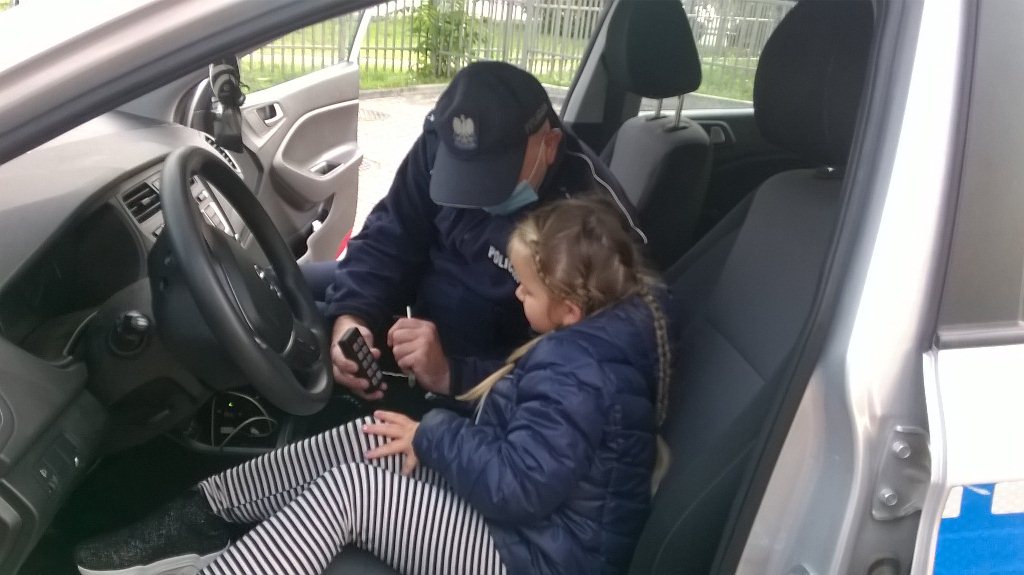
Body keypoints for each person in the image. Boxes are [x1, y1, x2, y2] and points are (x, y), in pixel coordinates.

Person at [74, 196, 670, 575]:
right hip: (529, 522)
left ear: (569, 308)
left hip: (535, 556)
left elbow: (520, 488)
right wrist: (427, 432)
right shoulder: (587, 348)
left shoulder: (579, 371)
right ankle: (201, 516)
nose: (516, 295)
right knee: (376, 434)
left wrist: (433, 436)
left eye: (527, 290)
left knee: (355, 492)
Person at [305, 60, 644, 404]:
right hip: (413, 318)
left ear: (550, 144)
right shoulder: (441, 144)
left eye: (493, 178)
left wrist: (452, 374)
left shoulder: (592, 222)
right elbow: (392, 233)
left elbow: (581, 370)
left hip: (481, 380)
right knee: (287, 291)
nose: (476, 198)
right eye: (464, 175)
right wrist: (352, 314)